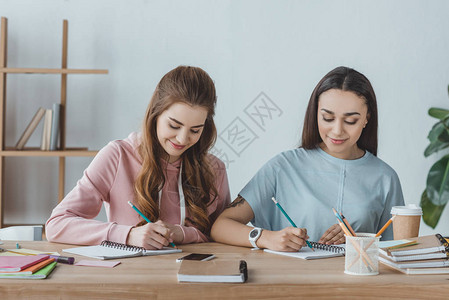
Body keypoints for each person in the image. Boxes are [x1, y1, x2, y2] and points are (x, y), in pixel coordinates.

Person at [211, 66, 404, 252]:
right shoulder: (283, 166)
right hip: (291, 282)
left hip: (358, 284)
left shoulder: (385, 178)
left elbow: (397, 250)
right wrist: (268, 238)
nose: (337, 130)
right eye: (327, 118)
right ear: (315, 113)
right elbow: (221, 226)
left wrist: (360, 242)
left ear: (366, 118)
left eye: (350, 120)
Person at [46, 66, 231, 249]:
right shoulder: (117, 156)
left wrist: (182, 233)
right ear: (156, 114)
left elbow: (224, 233)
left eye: (195, 130)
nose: (182, 139)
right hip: (131, 275)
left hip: (195, 276)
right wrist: (127, 235)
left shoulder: (214, 169)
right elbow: (57, 225)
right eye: (174, 126)